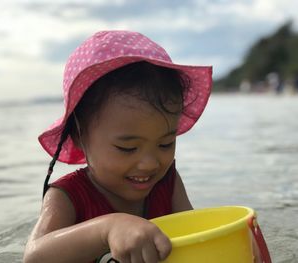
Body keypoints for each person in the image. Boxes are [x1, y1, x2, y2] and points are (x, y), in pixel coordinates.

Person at [23, 30, 212, 263]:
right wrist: (107, 229)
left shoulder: (168, 182)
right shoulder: (67, 196)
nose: (150, 163)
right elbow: (33, 257)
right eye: (128, 148)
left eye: (165, 143)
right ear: (80, 136)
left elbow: (196, 237)